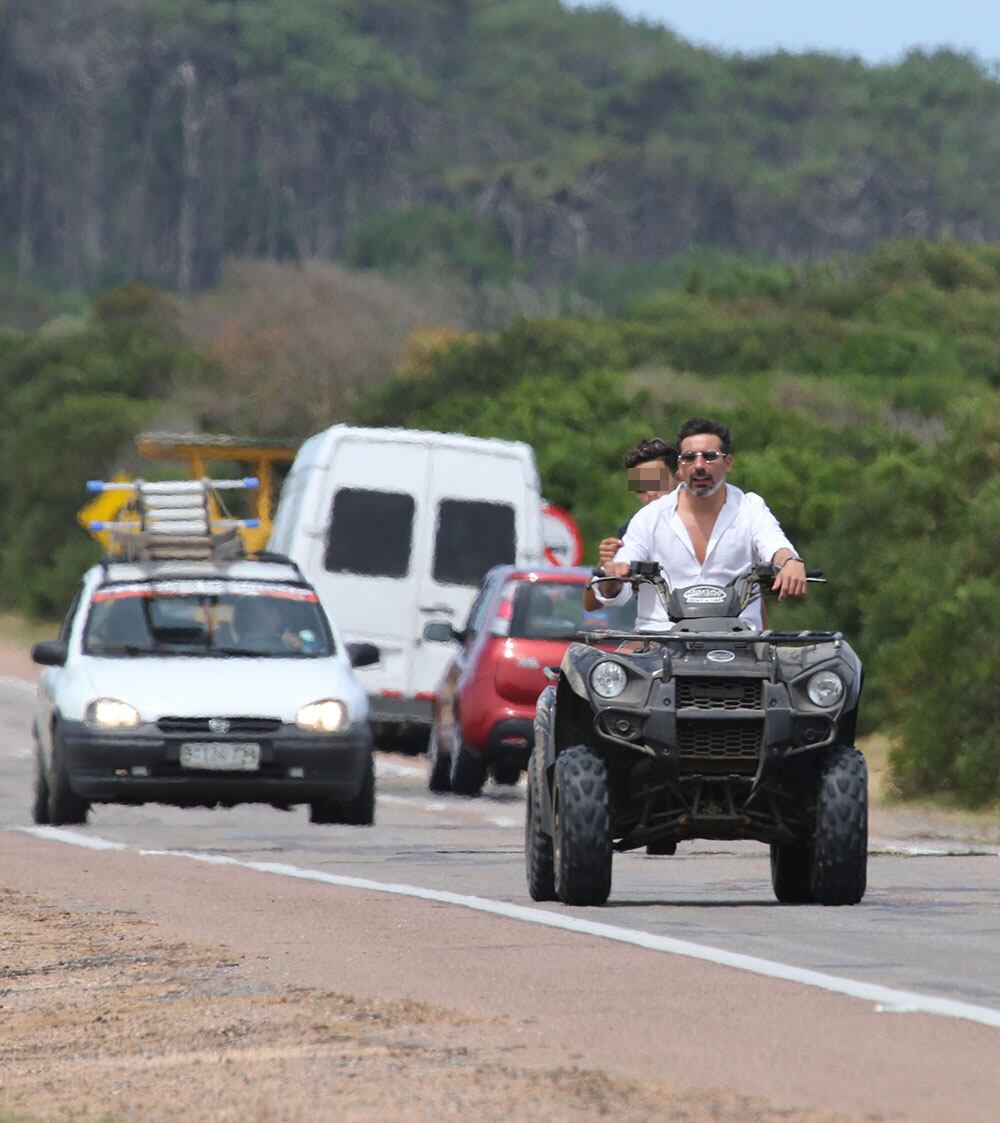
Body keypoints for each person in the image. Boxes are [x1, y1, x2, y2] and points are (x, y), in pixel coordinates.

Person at [593, 417, 806, 631]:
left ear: (728, 463)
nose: (699, 466)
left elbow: (774, 543)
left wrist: (789, 562)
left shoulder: (750, 507)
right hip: (661, 644)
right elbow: (621, 570)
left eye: (709, 457)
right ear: (680, 466)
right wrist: (613, 575)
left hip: (739, 645)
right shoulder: (648, 517)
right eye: (689, 458)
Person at [581, 438, 679, 612]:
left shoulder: (716, 518)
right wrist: (606, 564)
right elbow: (591, 604)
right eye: (641, 488)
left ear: (679, 478)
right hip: (660, 631)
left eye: (657, 482)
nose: (650, 493)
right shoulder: (632, 531)